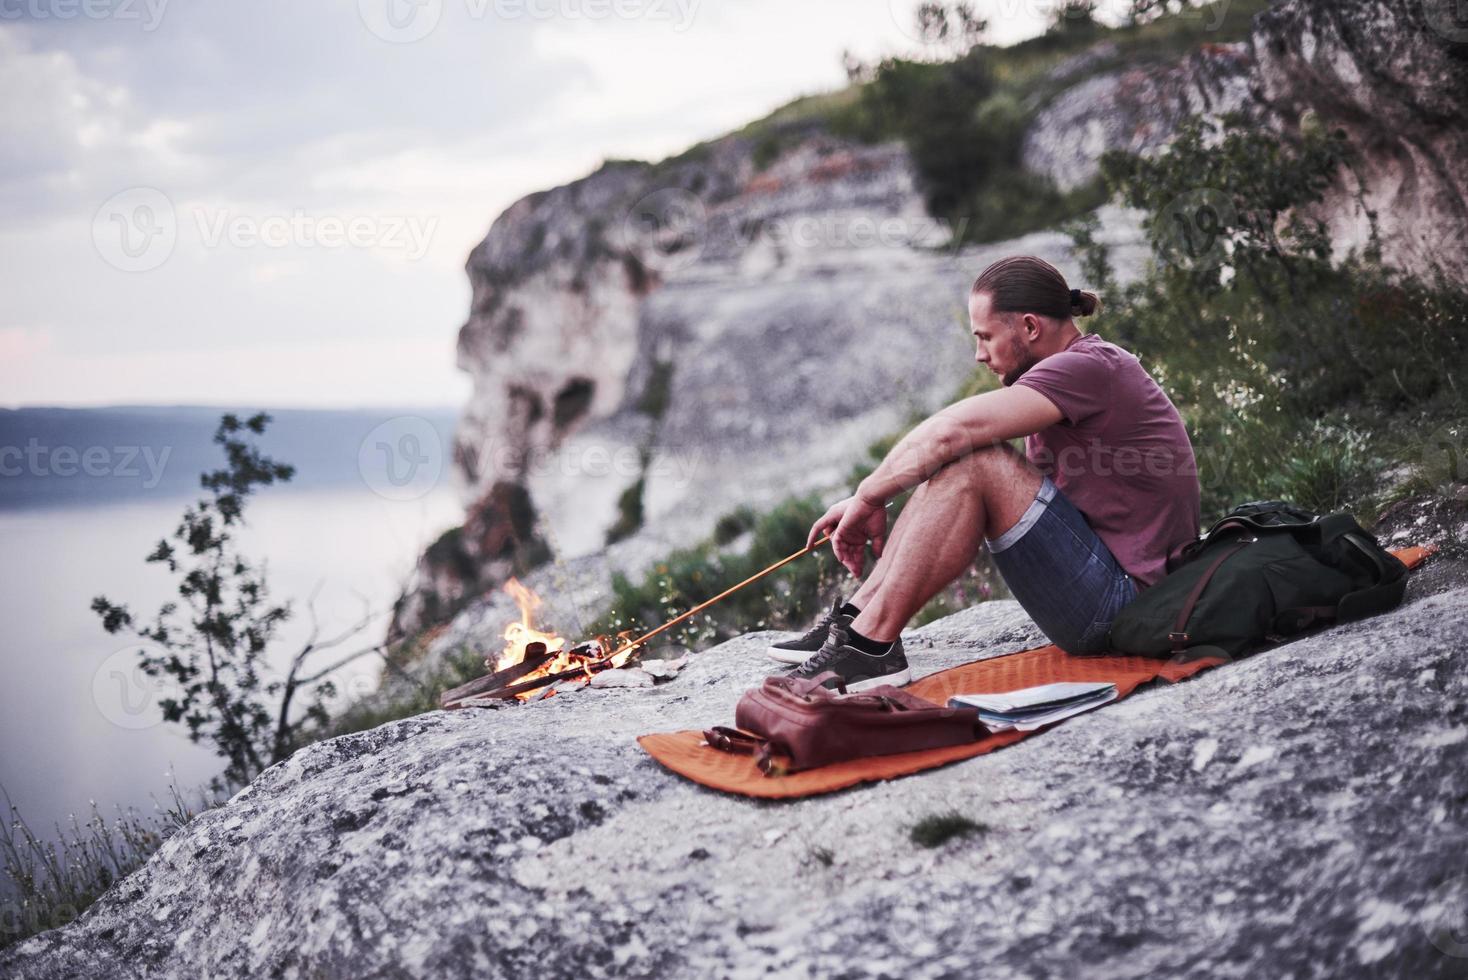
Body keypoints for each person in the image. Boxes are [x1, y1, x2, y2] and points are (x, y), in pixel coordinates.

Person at [768, 255, 1201, 690]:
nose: (979, 355)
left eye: (986, 337)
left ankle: (871, 645)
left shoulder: (1089, 367)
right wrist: (874, 496)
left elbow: (952, 433)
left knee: (977, 459)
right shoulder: (1077, 370)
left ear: (1030, 328)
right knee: (967, 457)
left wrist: (868, 497)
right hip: (1110, 592)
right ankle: (858, 623)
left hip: (1125, 607)